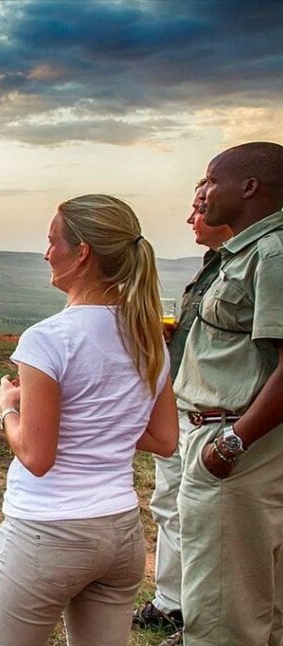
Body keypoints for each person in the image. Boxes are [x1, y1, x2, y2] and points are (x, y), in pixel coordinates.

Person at [0, 195, 178, 645]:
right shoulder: (148, 339)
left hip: (47, 533)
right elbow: (165, 439)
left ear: (81, 252)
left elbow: (36, 455)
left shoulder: (47, 339)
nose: (47, 252)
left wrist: (8, 407)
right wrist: (102, 427)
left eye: (52, 241)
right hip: (121, 533)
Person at [173, 141, 283, 645]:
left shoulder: (272, 253)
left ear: (249, 187)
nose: (205, 192)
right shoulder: (246, 252)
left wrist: (232, 444)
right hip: (236, 438)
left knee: (221, 612)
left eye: (212, 180)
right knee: (259, 601)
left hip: (235, 444)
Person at [133, 180, 233, 636]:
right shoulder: (216, 265)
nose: (192, 217)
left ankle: (201, 618)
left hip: (220, 416)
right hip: (184, 404)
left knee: (204, 522)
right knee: (170, 506)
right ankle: (172, 602)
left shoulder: (262, 262)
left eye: (200, 206)